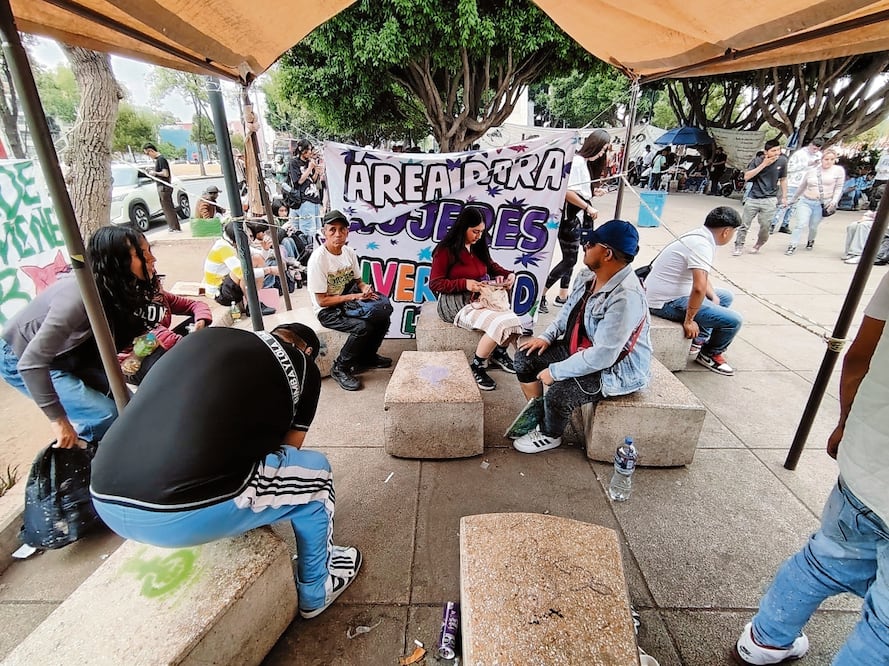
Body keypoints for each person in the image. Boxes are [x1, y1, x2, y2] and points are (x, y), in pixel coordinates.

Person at [89, 323, 362, 620]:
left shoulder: (208, 338)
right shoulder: (303, 366)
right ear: (306, 351)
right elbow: (288, 451)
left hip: (104, 497)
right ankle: (317, 588)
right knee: (315, 478)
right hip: (177, 514)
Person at [734, 270, 889, 665]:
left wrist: (846, 423)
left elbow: (860, 355)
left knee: (825, 557)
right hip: (868, 459)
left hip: (867, 457)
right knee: (883, 634)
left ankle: (765, 640)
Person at [512, 220, 651, 454]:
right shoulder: (588, 275)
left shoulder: (626, 297)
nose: (584, 246)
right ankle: (538, 412)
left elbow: (604, 355)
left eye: (590, 243)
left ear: (606, 253)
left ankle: (550, 434)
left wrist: (555, 371)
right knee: (525, 356)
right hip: (579, 347)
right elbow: (567, 311)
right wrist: (546, 337)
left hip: (613, 368)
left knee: (559, 393)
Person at [89, 226, 212, 385]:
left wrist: (200, 321)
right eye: (141, 254)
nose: (152, 259)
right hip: (136, 363)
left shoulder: (149, 290)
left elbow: (195, 305)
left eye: (149, 251)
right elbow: (149, 339)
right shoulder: (109, 303)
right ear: (117, 262)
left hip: (162, 346)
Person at [429, 206, 523, 391]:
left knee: (513, 321)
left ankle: (499, 353)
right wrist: (464, 283)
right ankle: (477, 365)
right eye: (475, 231)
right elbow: (435, 283)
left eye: (481, 232)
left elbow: (491, 266)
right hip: (454, 303)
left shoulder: (478, 246)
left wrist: (509, 274)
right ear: (463, 228)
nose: (478, 236)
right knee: (499, 323)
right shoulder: (445, 250)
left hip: (477, 298)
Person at [646, 206, 743, 376]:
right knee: (734, 321)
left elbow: (702, 276)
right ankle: (710, 354)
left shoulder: (700, 236)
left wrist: (712, 295)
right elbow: (698, 287)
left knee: (724, 297)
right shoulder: (701, 244)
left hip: (674, 293)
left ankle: (700, 339)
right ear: (726, 231)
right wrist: (689, 320)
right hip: (665, 302)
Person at [307, 209, 393, 392]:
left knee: (383, 316)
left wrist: (365, 288)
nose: (337, 234)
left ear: (347, 232)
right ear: (324, 233)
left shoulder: (349, 252)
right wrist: (354, 296)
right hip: (327, 310)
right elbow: (322, 301)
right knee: (362, 327)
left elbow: (358, 281)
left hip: (347, 303)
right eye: (332, 230)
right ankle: (340, 368)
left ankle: (368, 357)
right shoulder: (318, 260)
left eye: (342, 229)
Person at [540, 129, 609, 313]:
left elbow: (579, 191)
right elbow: (568, 191)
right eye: (602, 150)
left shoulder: (583, 162)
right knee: (570, 259)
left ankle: (563, 295)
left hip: (577, 217)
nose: (602, 154)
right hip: (570, 217)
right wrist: (587, 207)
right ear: (594, 146)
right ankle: (541, 294)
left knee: (571, 257)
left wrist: (593, 193)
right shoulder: (578, 162)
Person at [203, 222, 277, 316]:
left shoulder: (233, 244)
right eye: (248, 236)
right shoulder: (223, 248)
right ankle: (252, 305)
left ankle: (255, 300)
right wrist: (269, 270)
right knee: (244, 270)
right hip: (220, 293)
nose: (250, 239)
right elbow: (242, 273)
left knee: (256, 258)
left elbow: (260, 258)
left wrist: (265, 249)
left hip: (228, 285)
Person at [785, 148, 845, 255]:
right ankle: (792, 245)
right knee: (800, 223)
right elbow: (802, 186)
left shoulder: (838, 171)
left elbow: (839, 187)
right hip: (806, 200)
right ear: (821, 159)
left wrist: (834, 200)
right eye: (826, 159)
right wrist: (792, 200)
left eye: (832, 159)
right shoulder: (812, 171)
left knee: (813, 226)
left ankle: (811, 239)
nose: (828, 162)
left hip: (822, 202)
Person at [733, 139, 788, 256]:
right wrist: (764, 165)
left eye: (778, 150)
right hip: (753, 197)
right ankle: (739, 245)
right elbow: (747, 176)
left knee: (765, 226)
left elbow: (783, 179)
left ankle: (759, 244)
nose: (777, 153)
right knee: (744, 224)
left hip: (770, 199)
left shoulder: (782, 161)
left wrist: (784, 196)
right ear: (766, 152)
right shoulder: (757, 161)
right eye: (773, 151)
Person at [772, 137, 823, 233]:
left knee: (793, 206)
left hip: (806, 184)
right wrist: (807, 164)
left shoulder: (819, 156)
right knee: (784, 204)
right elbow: (790, 168)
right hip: (793, 182)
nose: (815, 151)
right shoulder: (800, 154)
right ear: (810, 145)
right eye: (814, 148)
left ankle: (785, 224)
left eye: (817, 149)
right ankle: (773, 223)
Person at [288, 139, 323, 246]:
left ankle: (317, 247)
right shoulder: (294, 162)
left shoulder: (310, 162)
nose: (310, 152)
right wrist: (309, 168)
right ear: (301, 150)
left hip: (314, 197)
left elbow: (312, 179)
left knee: (318, 227)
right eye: (308, 149)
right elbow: (298, 181)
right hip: (304, 199)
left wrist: (316, 172)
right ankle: (308, 249)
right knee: (308, 229)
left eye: (310, 149)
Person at [142, 143, 181, 232]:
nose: (149, 156)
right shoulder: (159, 160)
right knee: (166, 208)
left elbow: (165, 173)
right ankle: (173, 226)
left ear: (151, 151)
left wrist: (154, 173)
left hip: (164, 187)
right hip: (163, 187)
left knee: (168, 208)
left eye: (148, 154)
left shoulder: (161, 160)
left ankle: (174, 227)